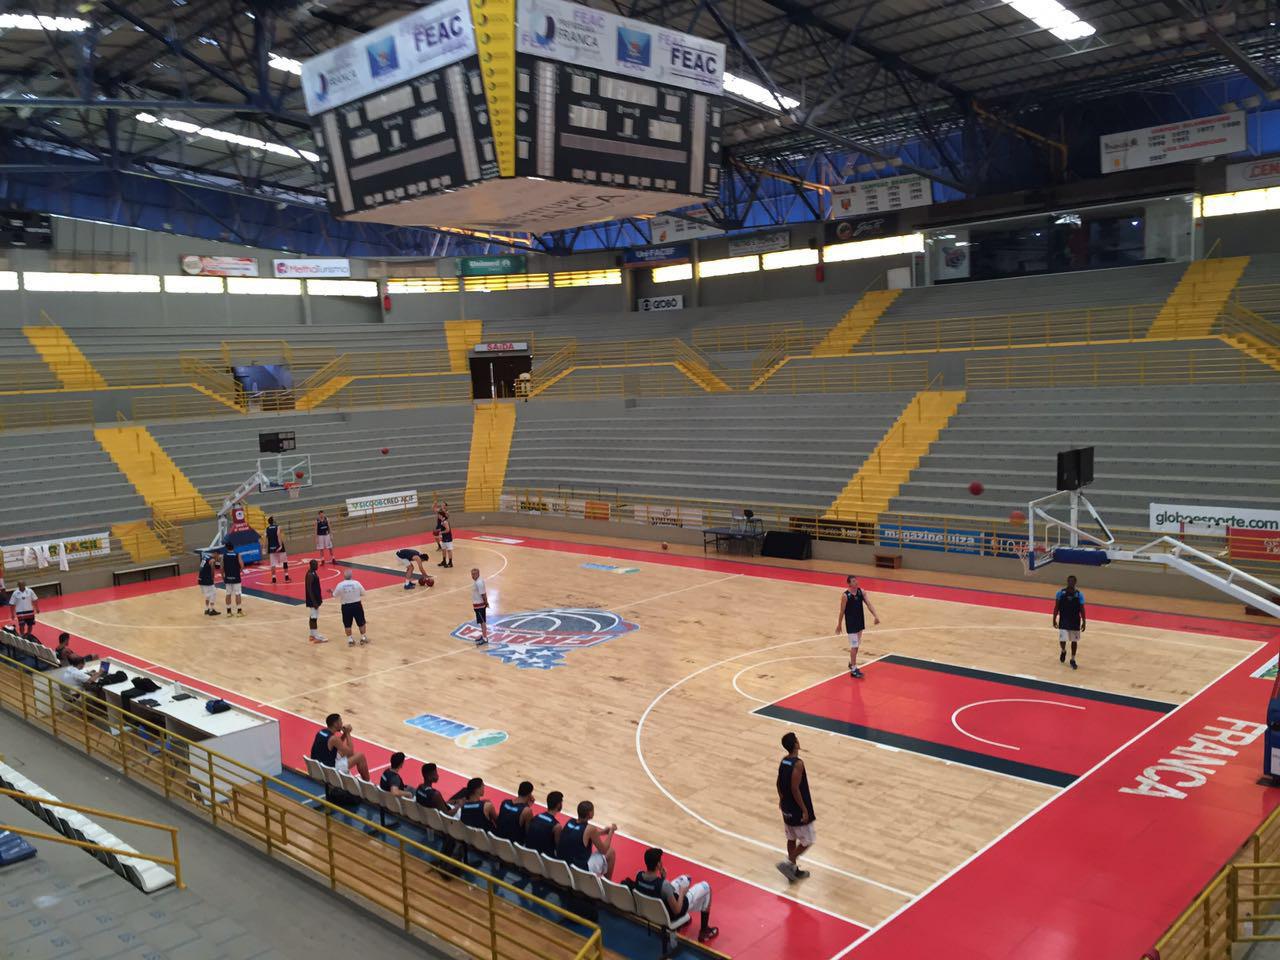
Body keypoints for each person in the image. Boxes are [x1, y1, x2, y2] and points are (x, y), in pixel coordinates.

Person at [633, 847, 718, 952]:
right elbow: (677, 910)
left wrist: (663, 877)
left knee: (685, 877)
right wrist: (682, 892)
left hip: (653, 911)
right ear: (658, 864)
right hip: (672, 912)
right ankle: (704, 931)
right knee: (707, 887)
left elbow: (654, 889)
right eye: (661, 860)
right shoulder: (664, 885)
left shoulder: (638, 876)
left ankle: (685, 921)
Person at [776, 732, 814, 882]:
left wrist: (781, 799)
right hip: (797, 808)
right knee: (808, 840)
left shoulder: (784, 761)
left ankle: (793, 871)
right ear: (796, 744)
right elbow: (795, 788)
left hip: (786, 806)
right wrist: (804, 810)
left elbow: (778, 783)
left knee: (791, 838)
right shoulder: (798, 763)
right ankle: (789, 862)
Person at [555, 800, 616, 878]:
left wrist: (602, 832)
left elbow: (581, 834)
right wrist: (611, 832)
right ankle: (607, 885)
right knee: (610, 852)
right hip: (580, 870)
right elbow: (604, 850)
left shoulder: (570, 821)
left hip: (563, 865)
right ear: (590, 814)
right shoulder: (590, 829)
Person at [836, 574, 880, 679]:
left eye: (856, 581)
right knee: (854, 646)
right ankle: (854, 669)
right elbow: (842, 611)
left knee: (857, 645)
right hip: (851, 624)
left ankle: (852, 663)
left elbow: (869, 604)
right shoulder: (845, 596)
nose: (856, 582)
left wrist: (875, 616)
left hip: (860, 622)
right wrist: (839, 624)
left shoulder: (861, 592)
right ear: (849, 583)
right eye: (854, 581)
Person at [311, 712, 371, 781]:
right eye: (340, 721)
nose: (342, 723)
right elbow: (350, 752)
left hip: (319, 765)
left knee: (343, 752)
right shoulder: (333, 738)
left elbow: (337, 744)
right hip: (330, 769)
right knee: (360, 756)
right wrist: (348, 733)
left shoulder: (321, 732)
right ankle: (367, 782)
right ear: (335, 724)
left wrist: (344, 734)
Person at [1053, 574, 1087, 670]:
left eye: (1073, 581)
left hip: (1075, 620)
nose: (1071, 583)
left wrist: (1084, 621)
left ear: (1075, 583)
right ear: (1067, 582)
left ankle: (1072, 659)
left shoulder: (1079, 594)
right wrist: (1054, 618)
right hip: (1064, 619)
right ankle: (1063, 651)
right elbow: (1056, 607)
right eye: (1069, 581)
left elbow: (1082, 609)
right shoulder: (1060, 593)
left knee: (1074, 641)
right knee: (1062, 639)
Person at [331, 569, 368, 647]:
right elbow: (364, 593)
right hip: (357, 605)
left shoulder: (340, 585)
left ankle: (350, 640)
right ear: (351, 576)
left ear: (344, 576)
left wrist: (332, 591)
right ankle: (363, 637)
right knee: (361, 622)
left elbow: (334, 595)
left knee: (347, 624)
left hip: (346, 606)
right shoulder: (357, 583)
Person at [525, 791, 564, 856]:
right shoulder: (557, 826)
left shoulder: (536, 817)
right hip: (544, 861)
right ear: (558, 805)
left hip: (528, 856)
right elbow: (559, 848)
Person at [304, 558, 326, 644]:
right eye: (315, 564)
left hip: (315, 599)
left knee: (313, 616)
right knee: (314, 618)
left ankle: (312, 635)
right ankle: (316, 636)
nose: (317, 566)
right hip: (313, 601)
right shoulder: (310, 575)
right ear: (312, 565)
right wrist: (314, 602)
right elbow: (309, 589)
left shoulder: (313, 572)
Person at [264, 516, 290, 584]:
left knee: (273, 564)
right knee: (284, 561)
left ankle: (274, 579)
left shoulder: (266, 529)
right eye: (274, 519)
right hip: (279, 547)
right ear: (273, 521)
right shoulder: (278, 527)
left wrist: (264, 547)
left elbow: (265, 539)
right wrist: (280, 545)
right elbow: (278, 535)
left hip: (271, 548)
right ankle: (286, 577)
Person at [221, 548, 244, 617]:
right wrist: (238, 572)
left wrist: (223, 577)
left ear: (227, 548)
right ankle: (239, 611)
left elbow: (221, 567)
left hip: (228, 578)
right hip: (236, 577)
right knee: (238, 594)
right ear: (233, 548)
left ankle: (228, 612)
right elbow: (242, 565)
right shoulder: (237, 554)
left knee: (228, 594)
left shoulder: (224, 555)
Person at [470, 567, 489, 645]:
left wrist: (486, 602)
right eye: (472, 574)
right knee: (481, 622)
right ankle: (483, 636)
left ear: (478, 574)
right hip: (477, 605)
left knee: (482, 622)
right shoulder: (477, 581)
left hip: (480, 605)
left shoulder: (479, 582)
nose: (472, 576)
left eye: (474, 574)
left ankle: (485, 638)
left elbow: (483, 594)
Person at [197, 552, 220, 616]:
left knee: (208, 595)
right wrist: (212, 577)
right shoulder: (212, 560)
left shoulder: (205, 556)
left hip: (200, 578)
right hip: (206, 579)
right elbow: (212, 568)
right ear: (215, 554)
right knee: (214, 593)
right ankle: (211, 610)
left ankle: (207, 609)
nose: (218, 557)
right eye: (218, 556)